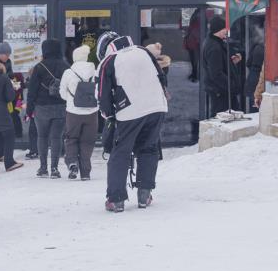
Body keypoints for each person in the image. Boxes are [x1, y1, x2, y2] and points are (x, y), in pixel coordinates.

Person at [98, 32, 168, 212]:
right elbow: (162, 77)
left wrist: (109, 115)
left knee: (120, 152)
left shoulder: (109, 61)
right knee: (149, 148)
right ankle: (144, 195)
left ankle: (116, 199)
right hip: (157, 106)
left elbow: (102, 95)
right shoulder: (143, 51)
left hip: (130, 112)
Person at [25, 39, 70, 178]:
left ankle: (43, 168)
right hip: (60, 107)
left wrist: (29, 109)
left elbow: (32, 90)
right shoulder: (65, 66)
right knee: (56, 137)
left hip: (41, 107)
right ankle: (55, 169)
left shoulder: (39, 67)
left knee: (42, 136)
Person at [61, 44, 100, 180]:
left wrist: (72, 101)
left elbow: (62, 94)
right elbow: (100, 91)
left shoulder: (68, 73)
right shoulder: (95, 72)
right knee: (87, 142)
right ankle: (86, 173)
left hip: (73, 113)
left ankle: (72, 163)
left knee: (71, 139)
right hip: (92, 113)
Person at [202, 16, 240, 115]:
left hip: (220, 91)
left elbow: (216, 66)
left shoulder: (213, 43)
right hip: (221, 92)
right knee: (223, 120)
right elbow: (216, 73)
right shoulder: (214, 47)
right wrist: (231, 86)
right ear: (219, 29)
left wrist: (231, 63)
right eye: (225, 29)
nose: (227, 31)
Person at [183, 11, 203, 83]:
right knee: (194, 60)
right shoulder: (195, 14)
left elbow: (196, 29)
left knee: (195, 60)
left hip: (195, 42)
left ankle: (196, 75)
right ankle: (195, 74)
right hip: (193, 41)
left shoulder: (198, 15)